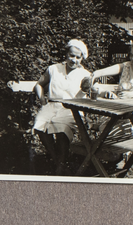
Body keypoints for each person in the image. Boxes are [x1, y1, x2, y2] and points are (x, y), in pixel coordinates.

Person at [87, 38, 133, 174]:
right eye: (131, 55)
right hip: (117, 108)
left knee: (125, 135)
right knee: (107, 129)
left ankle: (118, 161)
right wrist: (94, 75)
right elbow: (103, 72)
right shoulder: (126, 66)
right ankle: (110, 163)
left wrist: (130, 95)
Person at [30, 38, 91, 175]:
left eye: (78, 57)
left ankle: (60, 165)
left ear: (82, 58)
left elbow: (94, 90)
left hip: (72, 109)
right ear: (66, 54)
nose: (74, 60)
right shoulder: (53, 69)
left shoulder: (85, 74)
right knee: (39, 124)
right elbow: (39, 84)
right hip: (52, 105)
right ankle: (57, 161)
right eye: (71, 56)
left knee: (61, 128)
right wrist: (42, 99)